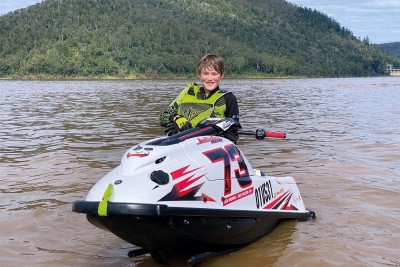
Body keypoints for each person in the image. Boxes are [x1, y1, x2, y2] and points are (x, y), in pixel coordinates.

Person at [159, 54, 240, 143]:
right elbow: (163, 117)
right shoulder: (188, 92)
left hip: (208, 148)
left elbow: (232, 135)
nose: (209, 78)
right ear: (199, 74)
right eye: (205, 73)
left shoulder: (228, 98)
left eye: (214, 74)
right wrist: (176, 118)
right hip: (180, 145)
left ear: (221, 75)